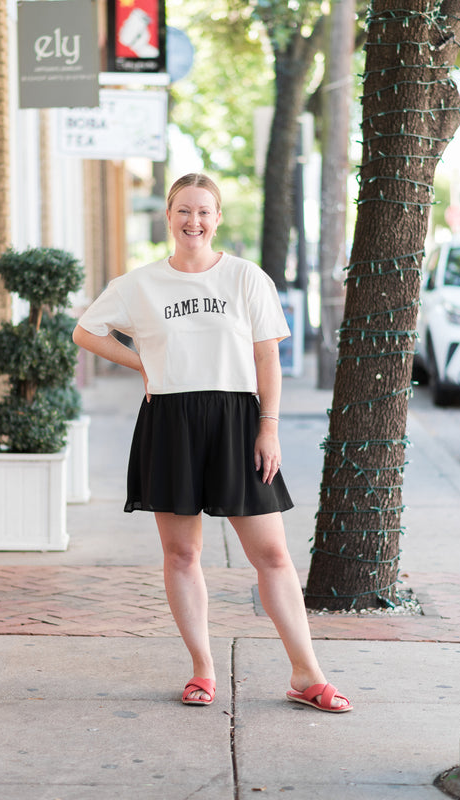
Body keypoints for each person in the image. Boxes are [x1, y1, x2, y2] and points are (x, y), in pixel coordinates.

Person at [72, 173, 352, 713]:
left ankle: (306, 673)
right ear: (168, 216)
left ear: (218, 217)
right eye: (182, 210)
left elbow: (266, 357)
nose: (192, 221)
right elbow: (87, 331)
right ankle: (202, 669)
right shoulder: (140, 284)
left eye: (203, 211)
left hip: (236, 420)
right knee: (182, 553)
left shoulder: (246, 278)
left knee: (271, 554)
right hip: (170, 421)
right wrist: (144, 364)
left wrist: (267, 428)